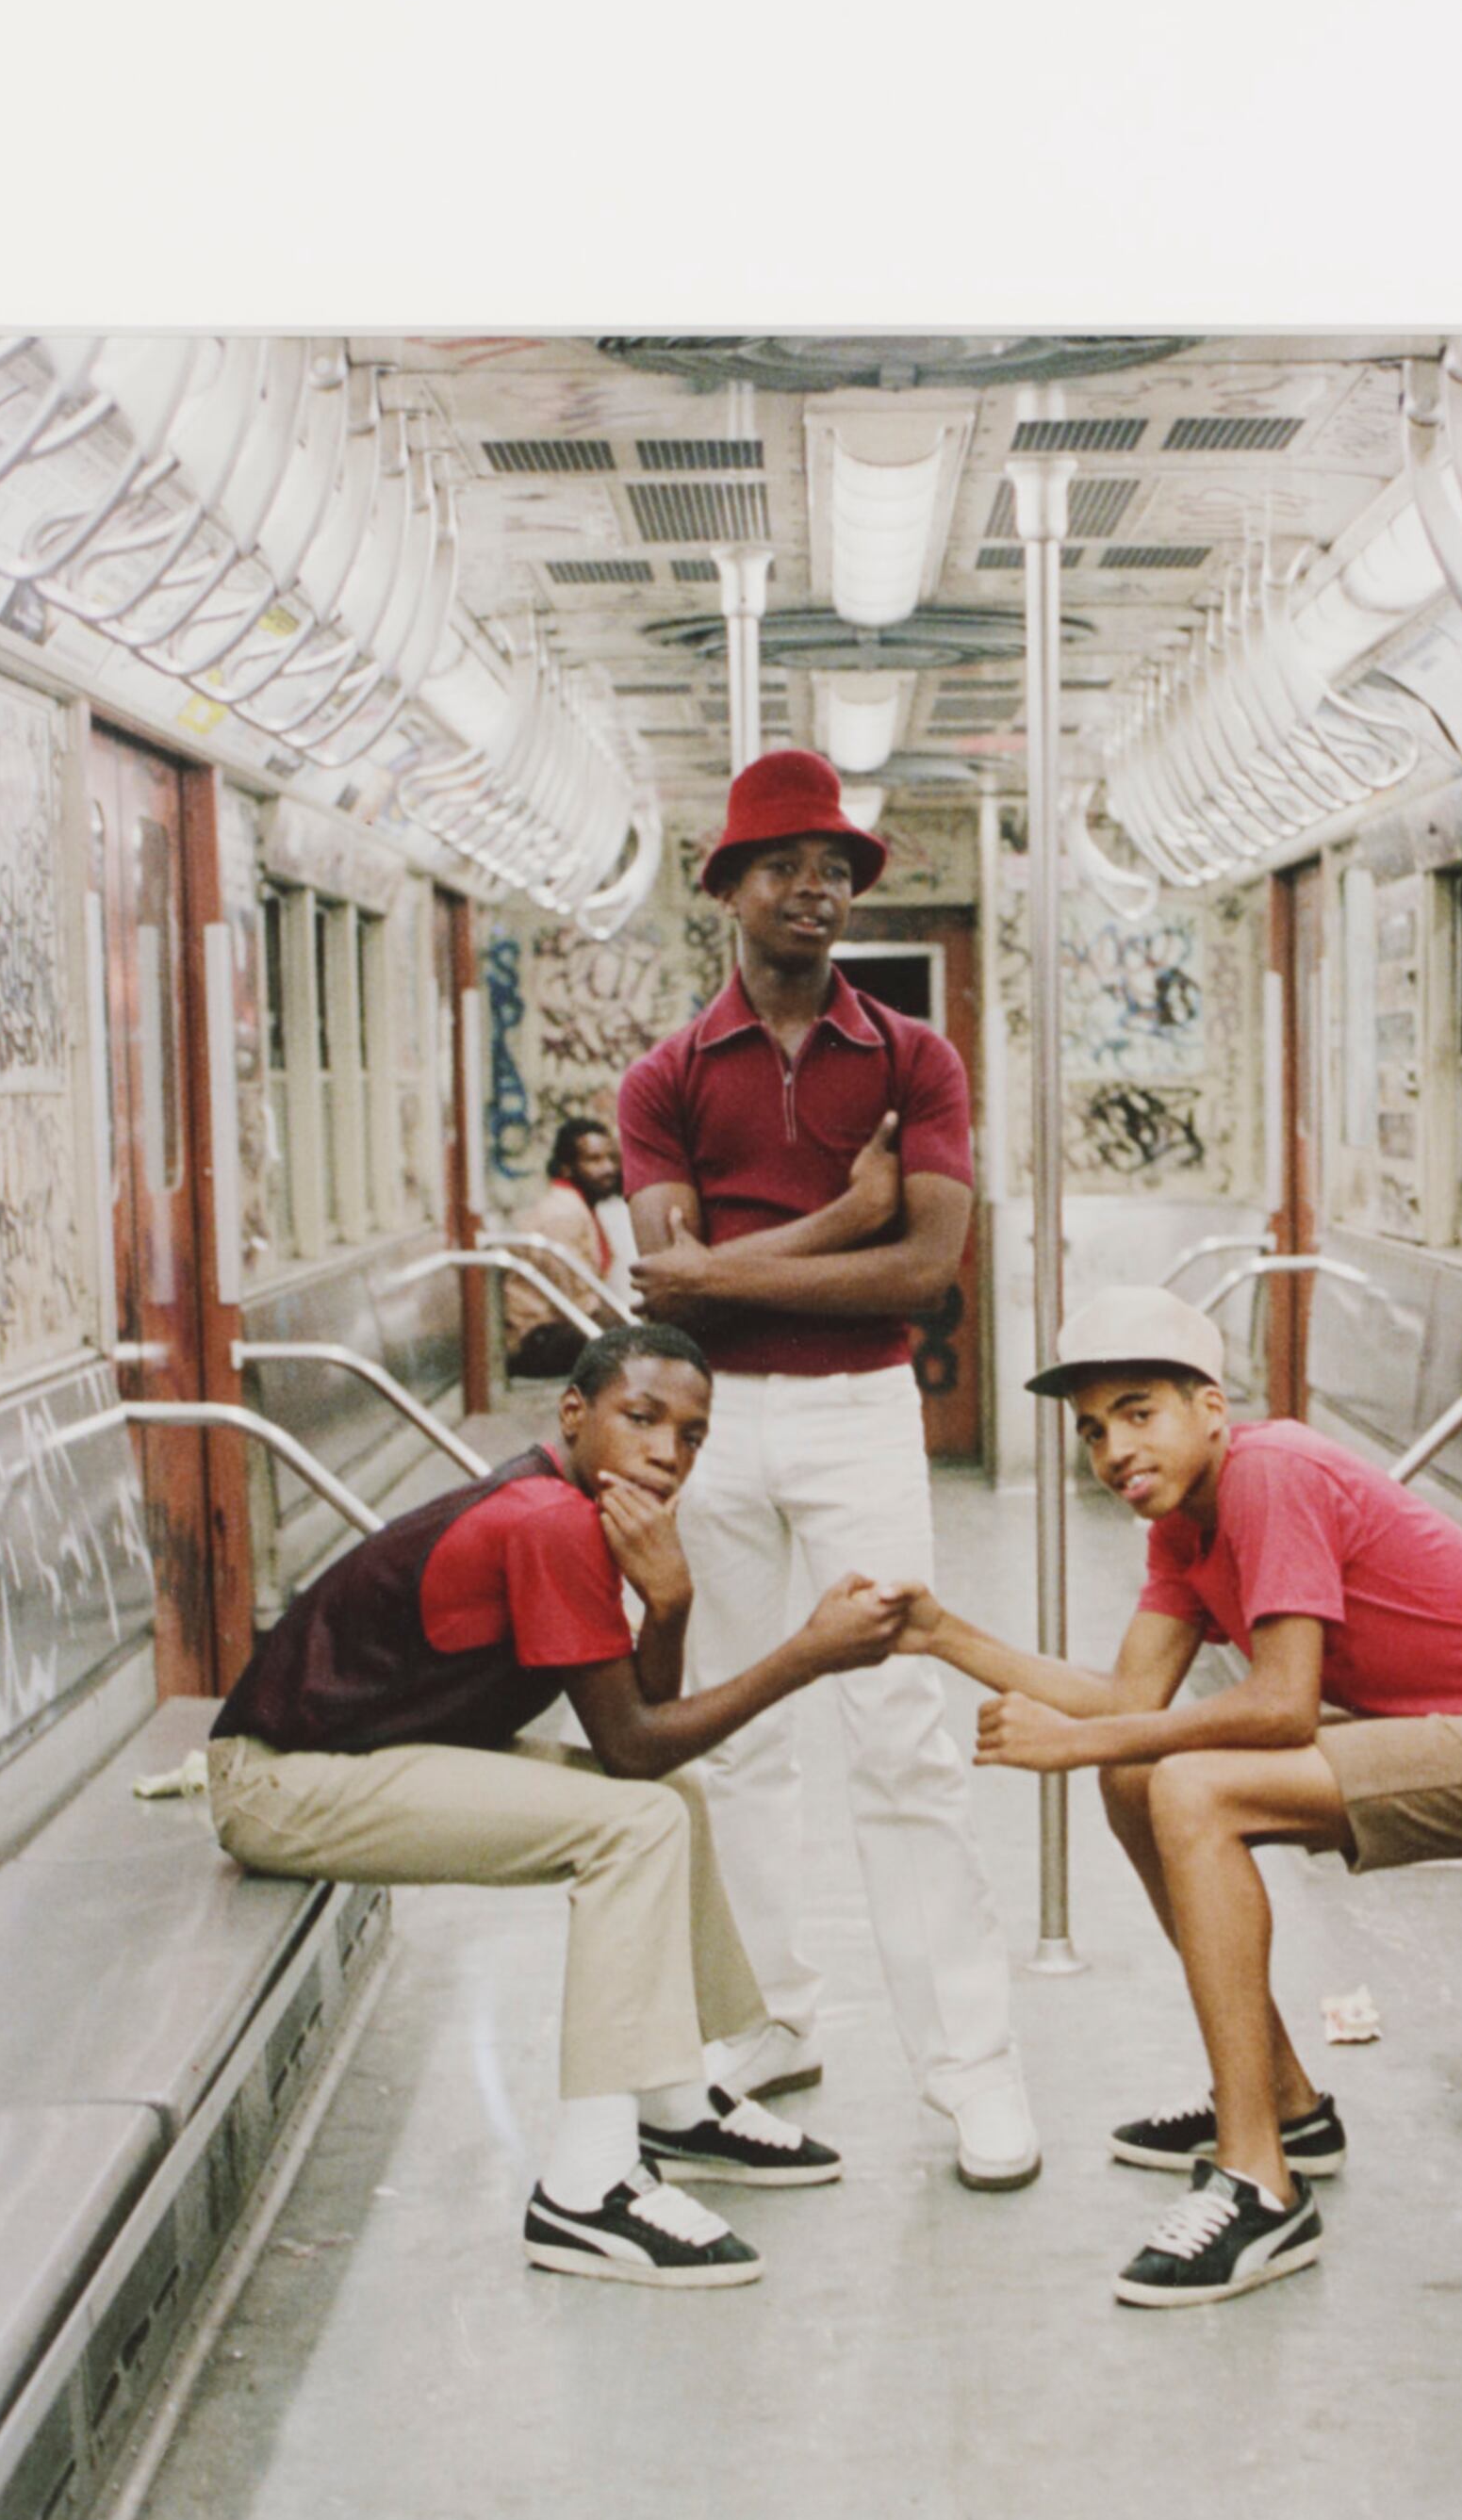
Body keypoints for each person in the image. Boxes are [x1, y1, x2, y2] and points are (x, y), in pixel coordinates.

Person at [896, 1285, 1462, 2311]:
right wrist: (943, 1634)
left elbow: (1284, 1707)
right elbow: (1126, 1705)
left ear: (1212, 1407)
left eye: (1138, 1411)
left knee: (1188, 1787)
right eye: (1092, 1429)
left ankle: (1259, 2183)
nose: (1114, 1449)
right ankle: (1286, 2104)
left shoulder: (1269, 1474)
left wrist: (1082, 1740)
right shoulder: (1182, 1522)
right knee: (1137, 1772)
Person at [204, 1318, 908, 2286]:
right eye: (642, 1417)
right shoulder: (551, 1521)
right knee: (640, 1822)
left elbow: (644, 1737)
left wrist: (669, 1607)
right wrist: (807, 1653)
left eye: (693, 1435)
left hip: (355, 1758)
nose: (667, 1452)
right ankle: (584, 2191)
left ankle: (673, 2104)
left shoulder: (580, 1506)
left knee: (675, 1796)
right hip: (281, 1781)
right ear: (575, 1412)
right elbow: (628, 1746)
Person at [614, 749, 1040, 2191]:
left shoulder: (915, 1057)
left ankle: (970, 2068)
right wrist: (836, 1223)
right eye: (787, 862)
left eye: (840, 867)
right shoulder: (663, 1077)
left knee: (903, 1731)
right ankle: (770, 2018)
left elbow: (927, 1269)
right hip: (711, 1426)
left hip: (862, 1415)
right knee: (737, 1735)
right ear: (727, 886)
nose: (819, 888)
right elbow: (670, 1310)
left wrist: (741, 1267)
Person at [506, 1116, 636, 1377]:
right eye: (594, 1160)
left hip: (560, 1330)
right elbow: (577, 1298)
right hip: (536, 1340)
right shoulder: (563, 1213)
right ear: (566, 1167)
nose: (608, 1168)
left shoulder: (579, 1205)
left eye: (612, 1158)